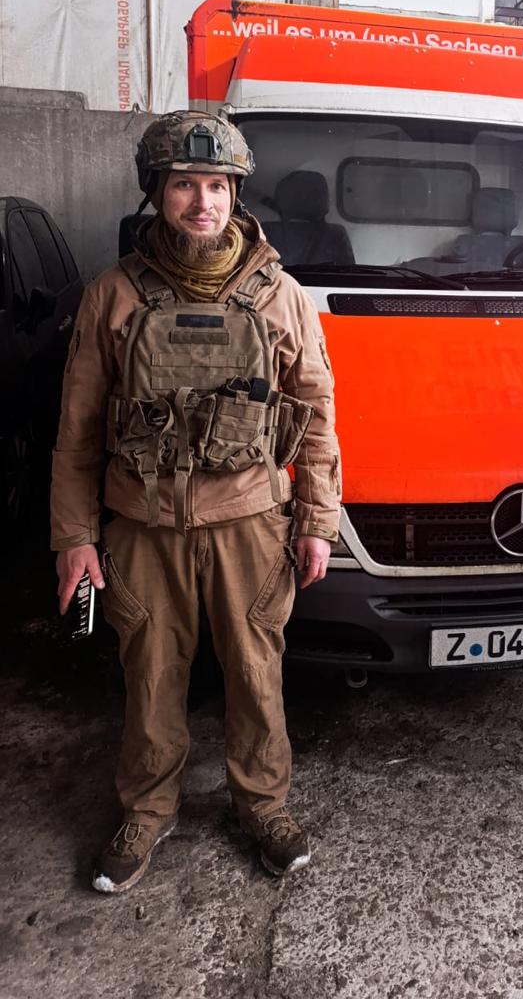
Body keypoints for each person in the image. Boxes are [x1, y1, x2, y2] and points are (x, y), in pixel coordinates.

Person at [52, 111, 341, 892]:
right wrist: (74, 537)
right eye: (185, 184)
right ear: (157, 192)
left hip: (250, 521)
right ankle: (147, 809)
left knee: (255, 671)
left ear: (236, 193)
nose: (202, 202)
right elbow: (77, 429)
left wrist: (317, 521)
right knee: (150, 675)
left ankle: (263, 805)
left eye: (217, 185)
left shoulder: (281, 296)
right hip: (142, 525)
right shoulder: (113, 295)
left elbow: (315, 414)